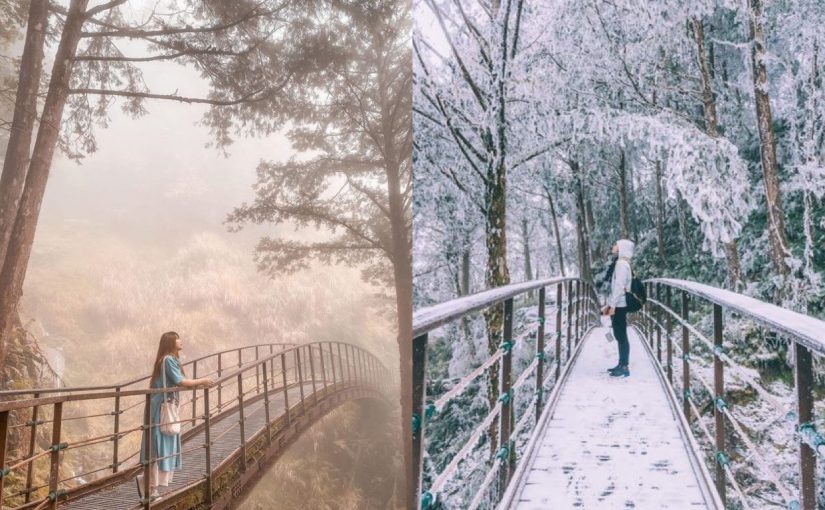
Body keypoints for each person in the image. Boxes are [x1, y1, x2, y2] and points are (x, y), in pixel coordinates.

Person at [137, 332, 213, 500]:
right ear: (170, 342)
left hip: (159, 407)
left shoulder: (167, 359)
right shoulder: (169, 360)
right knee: (159, 444)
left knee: (158, 443)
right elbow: (180, 381)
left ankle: (149, 484)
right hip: (161, 409)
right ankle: (150, 489)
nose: (181, 340)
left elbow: (178, 381)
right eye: (177, 338)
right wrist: (202, 381)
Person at [603, 239, 634, 378]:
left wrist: (613, 306)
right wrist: (610, 304)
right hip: (619, 303)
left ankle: (624, 366)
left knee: (621, 335)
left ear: (622, 247)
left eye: (616, 244)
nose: (614, 246)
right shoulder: (623, 263)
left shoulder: (621, 264)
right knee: (620, 335)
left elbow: (619, 286)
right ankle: (621, 364)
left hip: (620, 304)